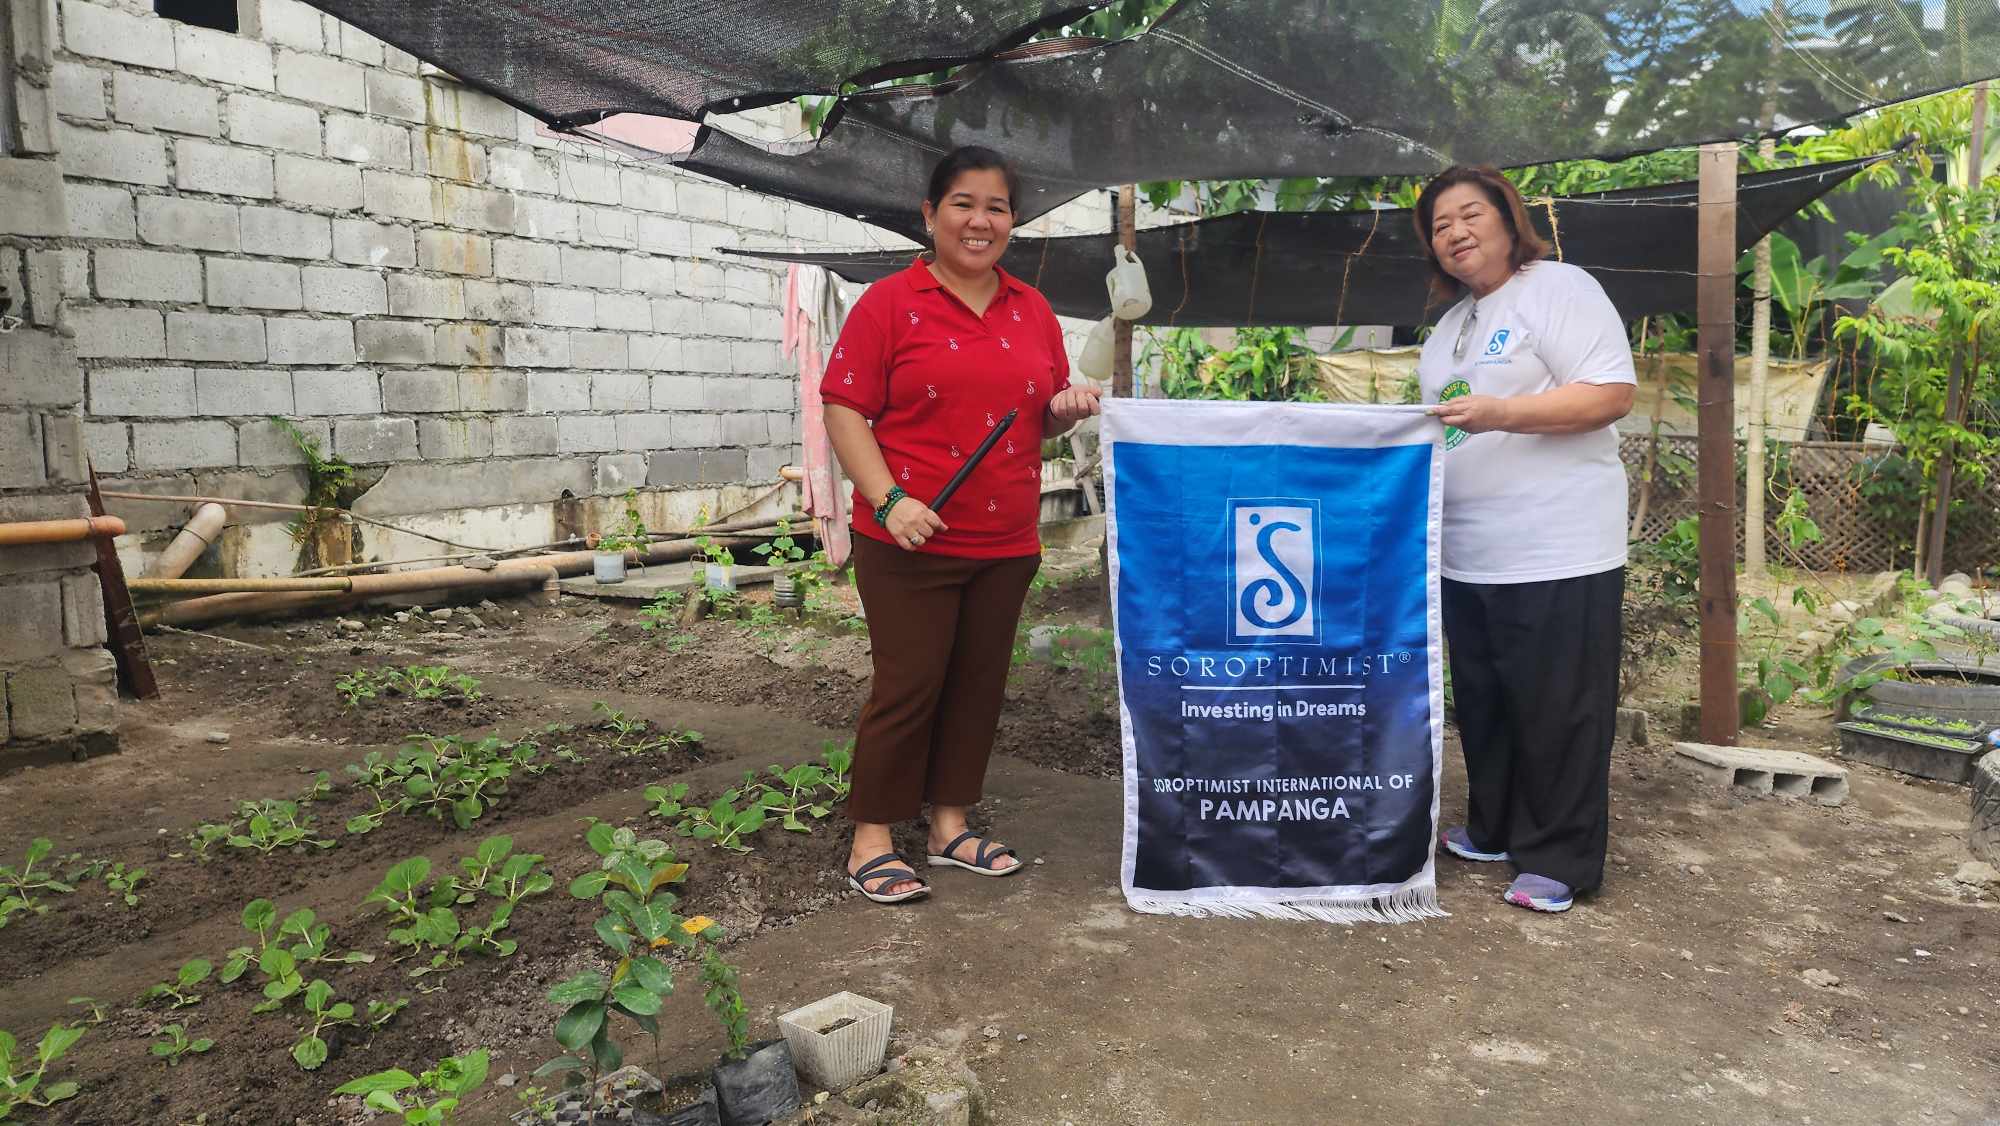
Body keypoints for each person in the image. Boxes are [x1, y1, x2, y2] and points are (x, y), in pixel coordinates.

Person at [820, 145, 1103, 904]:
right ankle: (873, 836)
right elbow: (844, 407)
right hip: (909, 535)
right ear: (931, 215)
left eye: (997, 208)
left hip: (1006, 540)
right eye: (964, 204)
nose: (981, 221)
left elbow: (1036, 416)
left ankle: (949, 826)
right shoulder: (889, 304)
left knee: (977, 686)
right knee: (909, 685)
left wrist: (1064, 408)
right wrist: (888, 500)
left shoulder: (1032, 309)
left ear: (1012, 221)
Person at [1414, 165, 1636, 914]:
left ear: (1509, 221)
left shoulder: (1559, 289)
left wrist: (1501, 413)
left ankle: (1560, 856)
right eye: (1440, 226)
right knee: (1489, 700)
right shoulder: (1448, 329)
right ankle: (1497, 825)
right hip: (1469, 550)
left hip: (1557, 543)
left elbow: (1610, 394)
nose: (1455, 233)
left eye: (1470, 215)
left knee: (1558, 705)